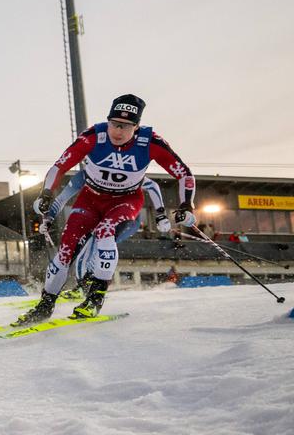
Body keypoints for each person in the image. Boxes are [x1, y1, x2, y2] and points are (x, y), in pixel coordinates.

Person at [15, 94, 195, 325]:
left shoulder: (150, 142)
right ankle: (45, 305)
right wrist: (46, 195)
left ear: (136, 126)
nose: (117, 131)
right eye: (114, 124)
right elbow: (60, 166)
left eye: (125, 126)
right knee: (66, 249)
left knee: (105, 232)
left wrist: (186, 205)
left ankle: (94, 299)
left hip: (125, 201)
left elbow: (184, 173)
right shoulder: (93, 137)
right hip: (90, 199)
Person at [49, 170, 169, 298]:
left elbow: (152, 185)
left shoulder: (122, 175)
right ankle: (84, 286)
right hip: (113, 223)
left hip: (125, 222)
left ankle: (86, 288)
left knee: (89, 252)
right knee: (85, 253)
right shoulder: (96, 177)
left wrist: (161, 214)